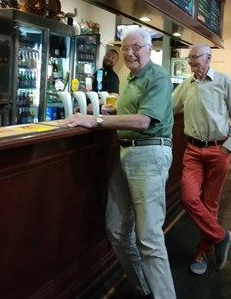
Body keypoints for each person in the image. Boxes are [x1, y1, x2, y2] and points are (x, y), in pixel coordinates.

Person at [60, 28, 176, 299]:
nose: (130, 53)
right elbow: (132, 112)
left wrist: (96, 120)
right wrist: (108, 110)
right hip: (127, 154)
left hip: (149, 154)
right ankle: (143, 287)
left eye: (136, 47)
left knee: (148, 238)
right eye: (125, 48)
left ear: (149, 48)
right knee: (116, 229)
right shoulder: (131, 79)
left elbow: (144, 121)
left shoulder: (158, 76)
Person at [172, 43, 231, 275]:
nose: (192, 62)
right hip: (192, 150)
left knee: (210, 203)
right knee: (188, 196)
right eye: (189, 58)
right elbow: (169, 108)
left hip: (218, 150)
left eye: (195, 57)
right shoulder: (186, 85)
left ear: (208, 58)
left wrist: (229, 146)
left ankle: (202, 252)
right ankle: (221, 237)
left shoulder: (224, 81)